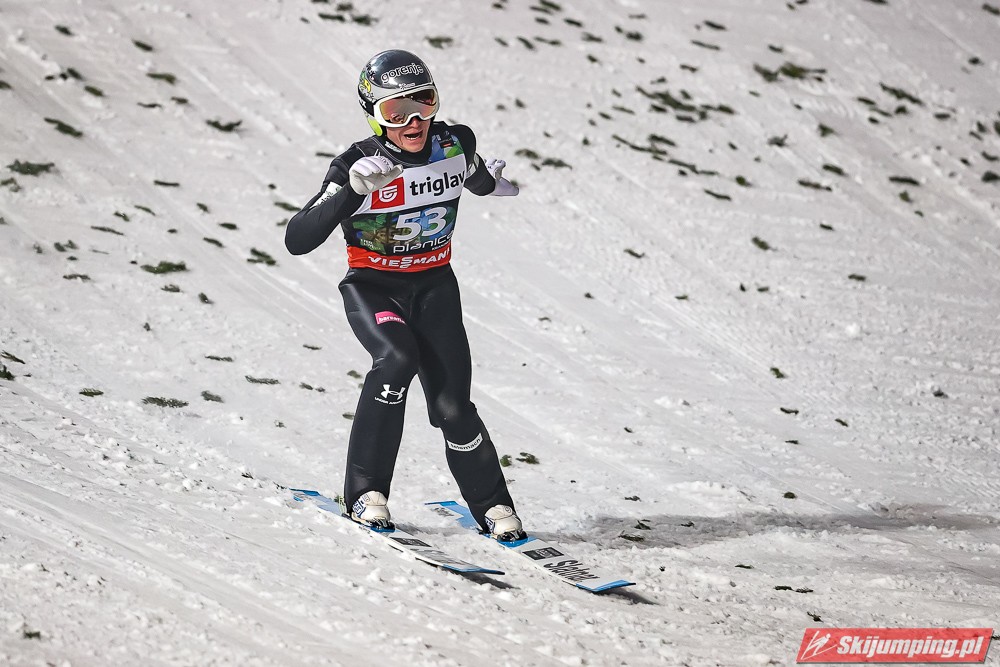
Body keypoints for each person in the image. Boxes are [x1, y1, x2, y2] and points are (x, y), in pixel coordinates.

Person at [284, 49, 525, 541]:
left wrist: (492, 184)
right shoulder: (356, 164)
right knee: (396, 360)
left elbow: (473, 174)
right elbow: (297, 238)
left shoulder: (455, 142)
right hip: (374, 288)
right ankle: (365, 493)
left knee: (453, 406)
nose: (414, 121)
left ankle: (493, 504)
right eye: (397, 111)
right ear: (374, 115)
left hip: (435, 287)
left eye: (424, 102)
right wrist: (351, 192)